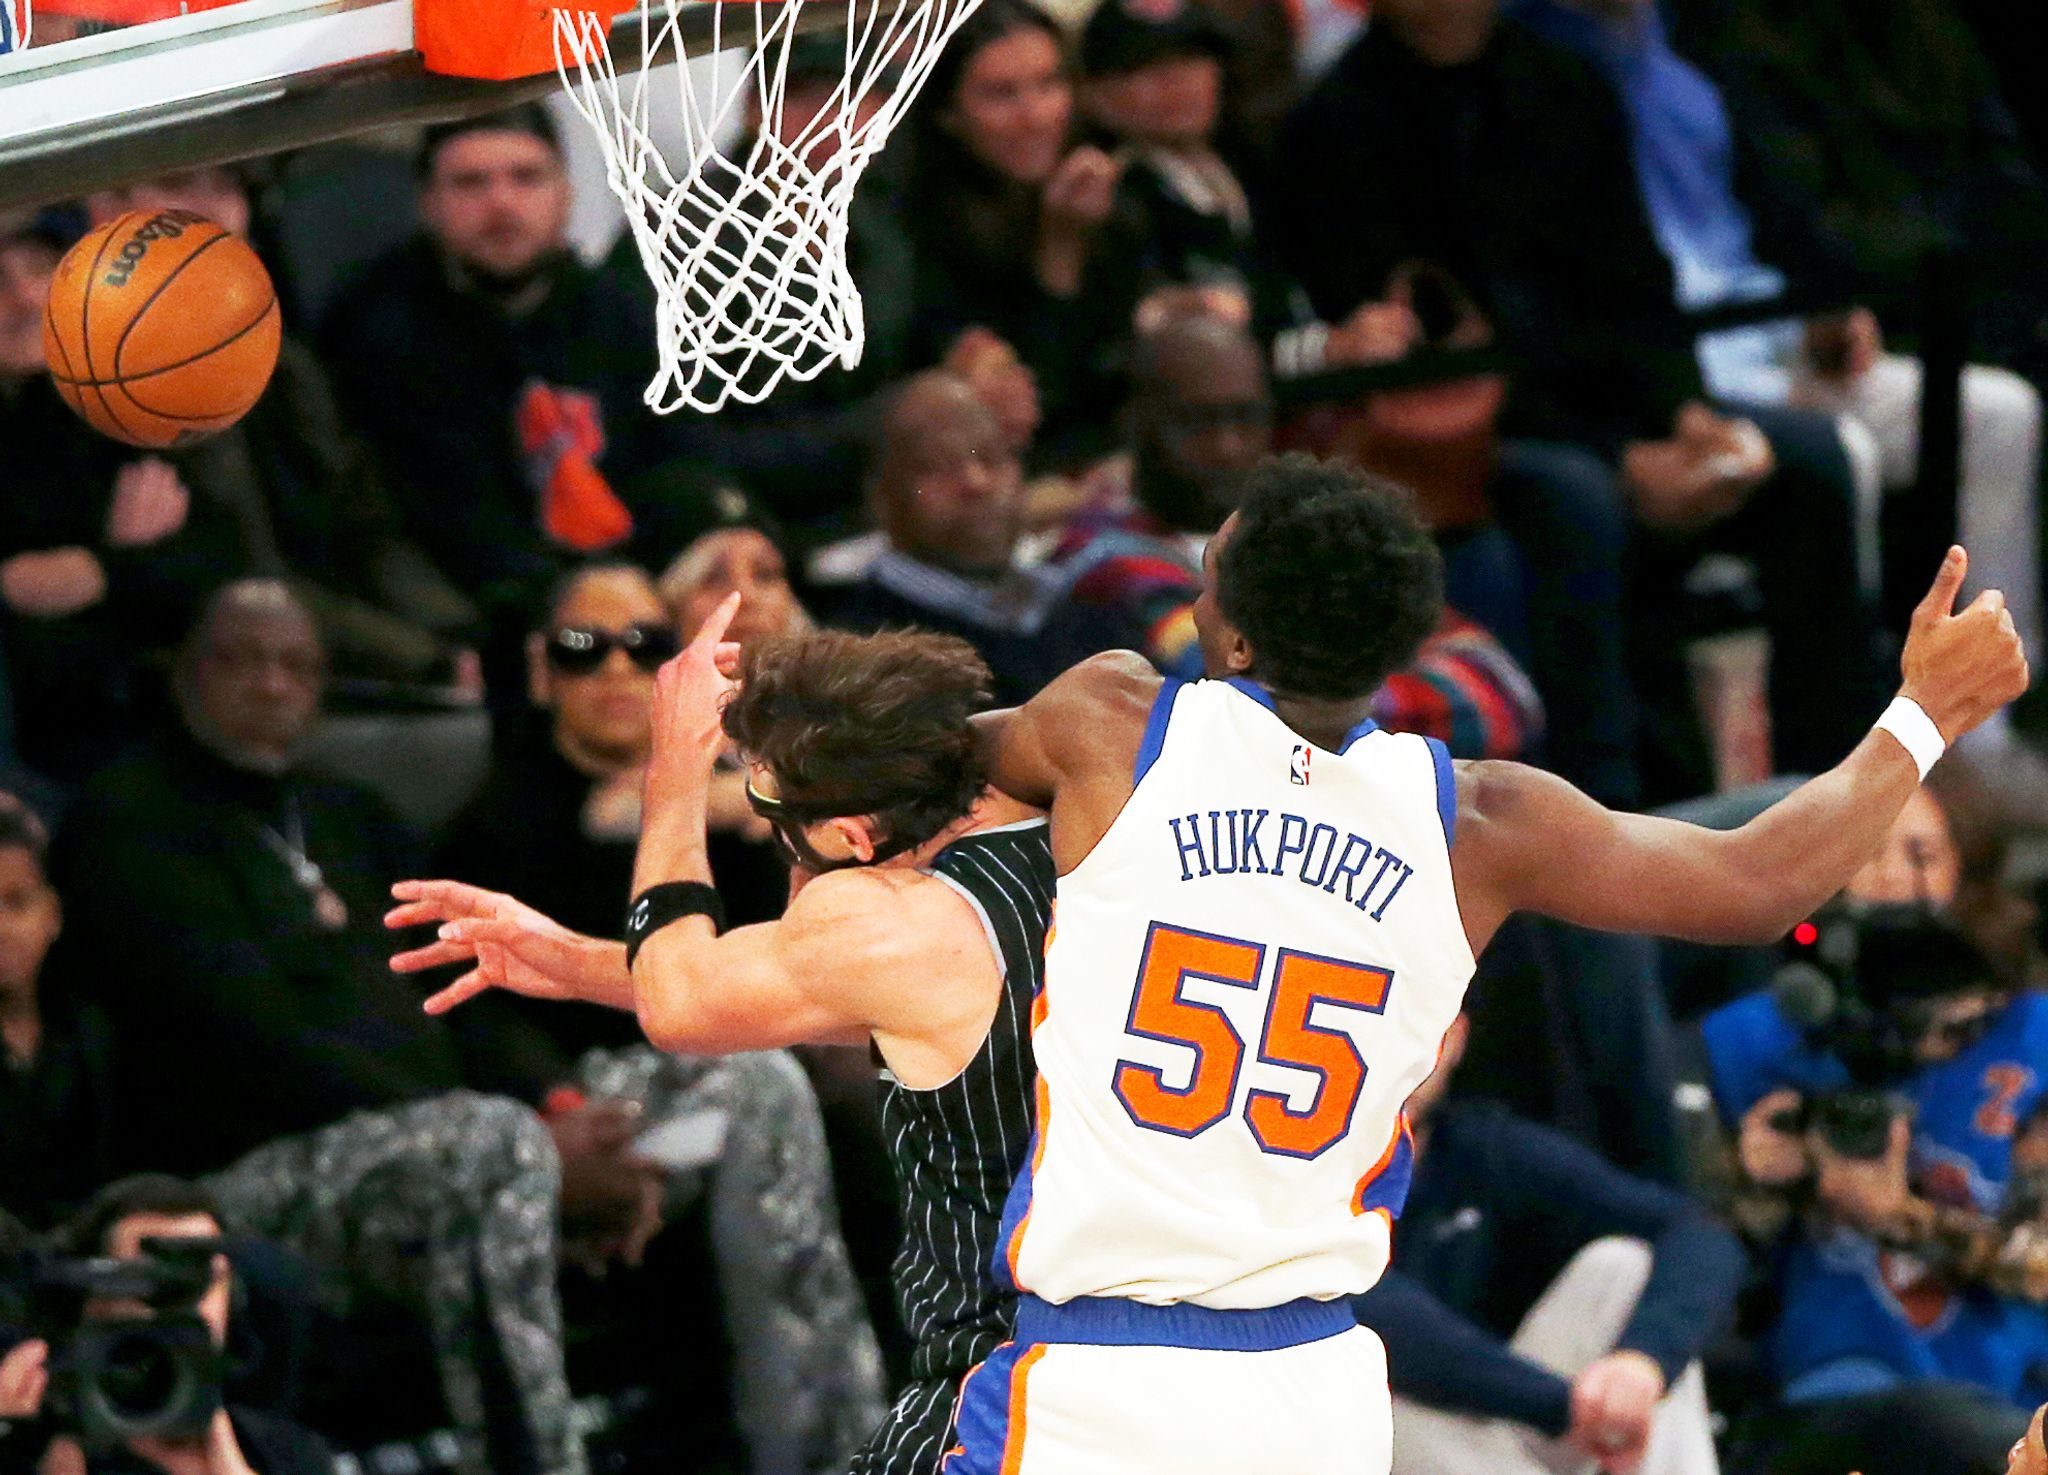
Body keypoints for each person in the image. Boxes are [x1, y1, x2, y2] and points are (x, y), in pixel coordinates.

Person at [399, 453, 2025, 1473]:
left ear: (1226, 633)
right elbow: (1760, 877)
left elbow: (887, 774)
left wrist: (714, 748)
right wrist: (1919, 715)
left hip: (1097, 1384)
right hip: (1316, 1392)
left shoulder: (1111, 724)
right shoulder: (1486, 821)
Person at [388, 625, 1060, 1475]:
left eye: (778, 821)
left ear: (853, 837)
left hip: (1015, 1371)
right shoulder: (1046, 841)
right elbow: (771, 981)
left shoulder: (882, 916)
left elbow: (682, 1002)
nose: (779, 848)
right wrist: (566, 958)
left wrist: (673, 768)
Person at [1270, 0, 1890, 786]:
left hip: (1615, 398)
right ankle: (1610, 806)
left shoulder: (1564, 80)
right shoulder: (1332, 123)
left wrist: (1686, 415)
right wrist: (1623, 455)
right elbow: (1412, 356)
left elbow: (1640, 276)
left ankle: (1839, 796)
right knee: (1578, 497)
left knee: (1811, 462)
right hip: (1470, 432)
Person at [1702, 794, 2048, 1475]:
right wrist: (1756, 1185)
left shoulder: (2032, 1037)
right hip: (1818, 1400)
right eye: (1864, 851)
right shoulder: (1760, 1037)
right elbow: (1689, 1255)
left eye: (1920, 854)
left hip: (1999, 1407)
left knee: (1941, 1425)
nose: (1889, 877)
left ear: (1968, 873)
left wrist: (1899, 1215)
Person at [80, 169, 484, 693]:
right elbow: (247, 582)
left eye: (225, 187)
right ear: (103, 212)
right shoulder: (103, 377)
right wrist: (431, 662)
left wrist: (471, 637)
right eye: (178, 185)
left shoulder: (282, 361)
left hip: (337, 653)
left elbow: (366, 531)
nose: (211, 210)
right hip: (202, 679)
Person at [317, 106, 697, 628]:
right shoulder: (374, 332)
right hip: (472, 617)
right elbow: (423, 519)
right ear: (427, 203)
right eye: (471, 183)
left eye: (526, 177)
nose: (501, 202)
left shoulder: (619, 308)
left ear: (566, 193)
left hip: (636, 589)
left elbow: (679, 459)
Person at [1352, 1009, 1742, 1475]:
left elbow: (1698, 1232)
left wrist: (1641, 1364)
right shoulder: (1302, 1162)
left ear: (1457, 1038)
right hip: (1396, 1421)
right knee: (1362, 1394)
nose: (1407, 1052)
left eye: (1424, 1026)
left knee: (1624, 1265)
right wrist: (1563, 1406)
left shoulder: (1480, 1144)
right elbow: (1367, 1305)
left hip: (1517, 1420)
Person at [813, 371, 1144, 704]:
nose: (977, 482)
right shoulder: (867, 660)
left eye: (992, 456)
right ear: (881, 499)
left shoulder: (1094, 602)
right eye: (937, 465)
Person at [0, 1175, 337, 1475]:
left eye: (200, 1280)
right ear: (89, 1299)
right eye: (147, 1278)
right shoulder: (20, 1442)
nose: (179, 1304)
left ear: (230, 1302)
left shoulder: (285, 1454)